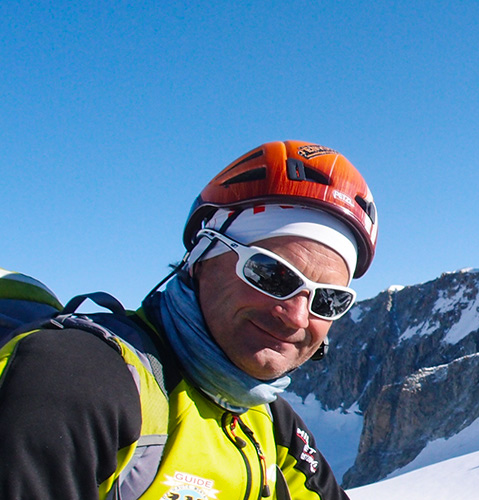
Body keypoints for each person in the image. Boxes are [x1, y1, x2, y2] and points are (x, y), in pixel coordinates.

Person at [0, 140, 378, 499]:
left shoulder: (271, 425)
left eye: (328, 300)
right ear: (201, 257)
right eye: (271, 273)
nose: (296, 316)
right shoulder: (80, 379)